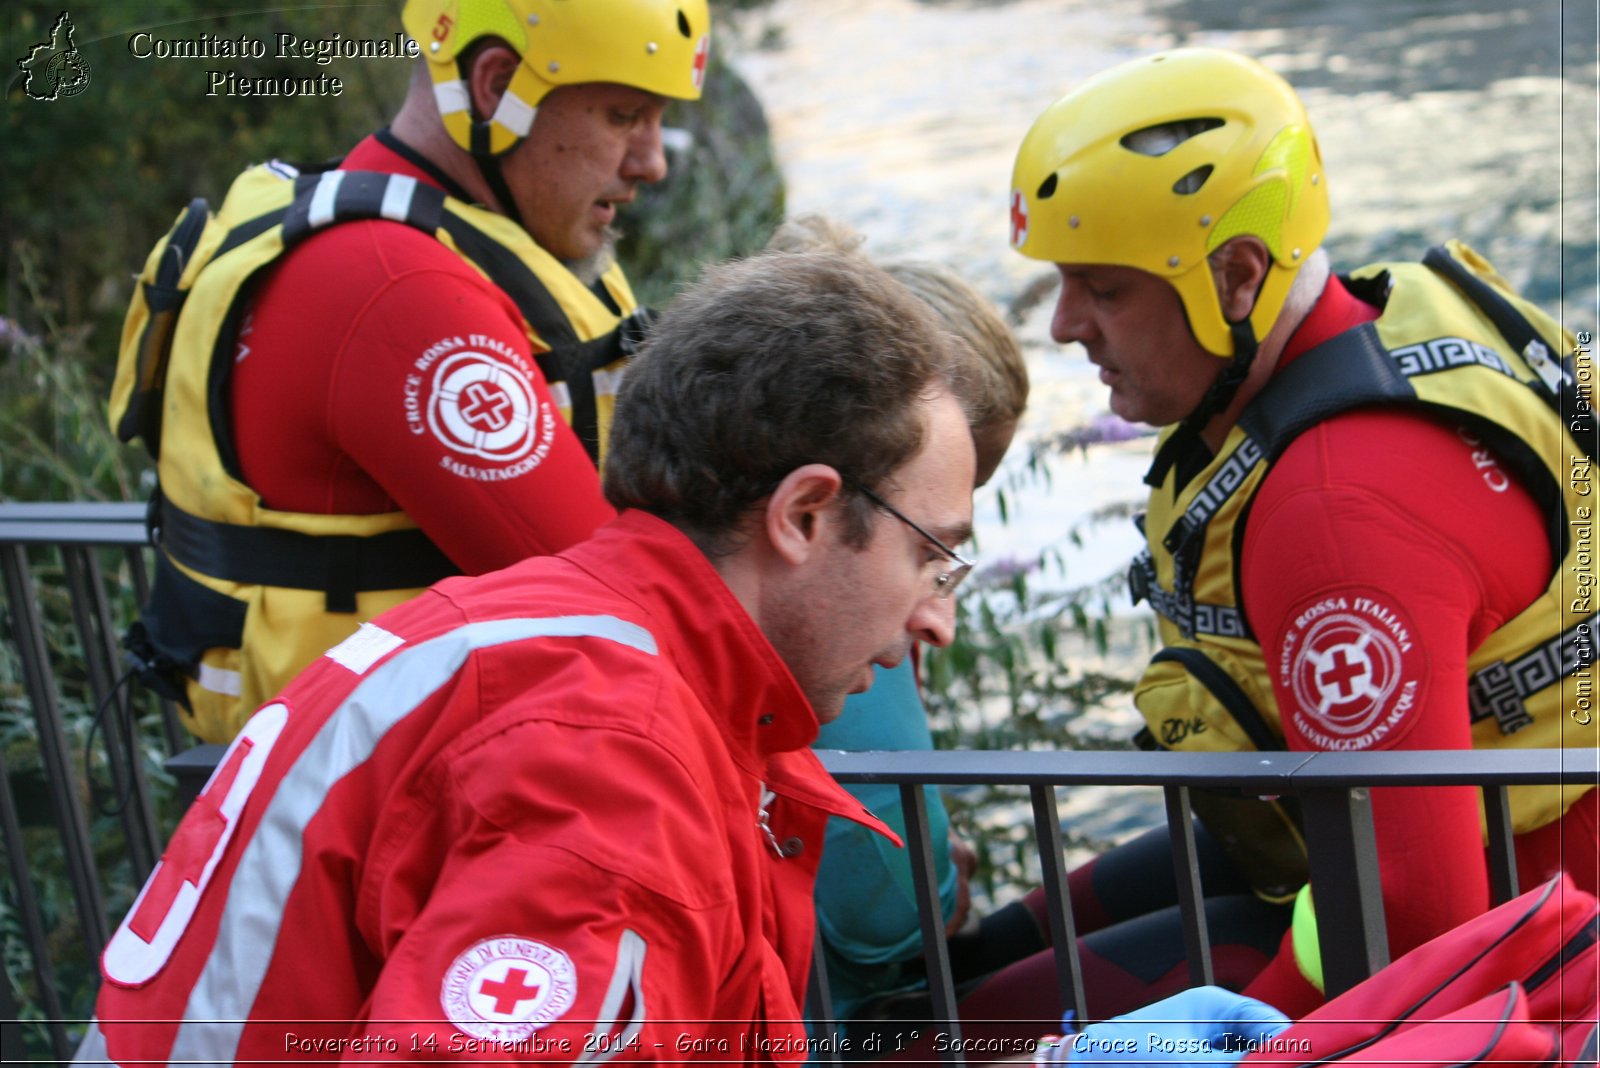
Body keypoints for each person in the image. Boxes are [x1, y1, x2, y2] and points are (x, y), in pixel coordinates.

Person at [76, 248, 976, 1064]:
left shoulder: (550, 635)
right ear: (804, 514)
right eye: (928, 555)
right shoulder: (607, 764)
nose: (939, 623)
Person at [996, 43, 1595, 1022]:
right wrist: (1012, 926)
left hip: (1536, 947)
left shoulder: (1332, 516)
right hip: (1412, 855)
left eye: (1104, 290)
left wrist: (1216, 1048)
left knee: (945, 1035)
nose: (1065, 326)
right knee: (977, 963)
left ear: (1236, 276)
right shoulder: (1384, 313)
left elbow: (1414, 915)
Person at [108, 0, 713, 744]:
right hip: (370, 802)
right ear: (495, 86)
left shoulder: (437, 237)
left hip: (381, 769)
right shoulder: (396, 288)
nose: (651, 160)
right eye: (624, 115)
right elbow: (612, 609)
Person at [763, 217, 1041, 1029]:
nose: (938, 616)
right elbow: (882, 912)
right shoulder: (840, 631)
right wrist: (942, 890)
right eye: (933, 535)